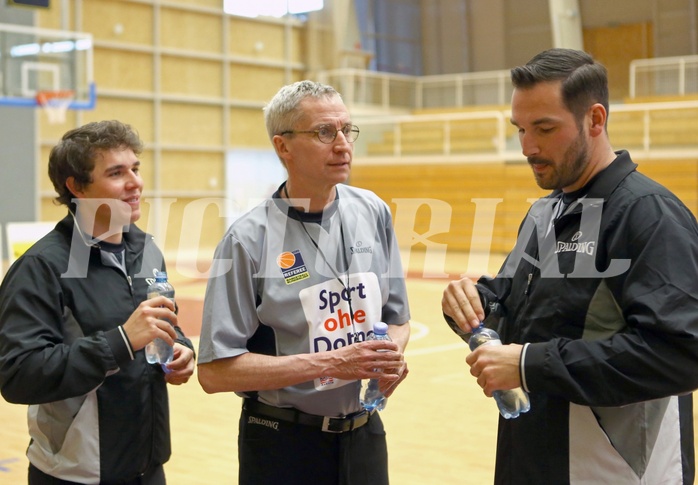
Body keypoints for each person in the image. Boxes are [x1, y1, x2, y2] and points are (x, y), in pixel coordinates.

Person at [442, 48, 698, 484]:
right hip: (534, 457)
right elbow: (519, 311)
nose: (527, 147)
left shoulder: (647, 214)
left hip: (614, 469)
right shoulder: (546, 213)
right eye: (520, 129)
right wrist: (473, 303)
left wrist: (528, 365)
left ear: (595, 120)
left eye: (544, 128)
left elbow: (681, 354)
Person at [197, 80, 411, 485]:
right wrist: (332, 363)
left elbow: (398, 319)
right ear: (283, 147)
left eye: (347, 130)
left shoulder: (373, 211)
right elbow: (215, 372)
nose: (343, 144)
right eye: (324, 133)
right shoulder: (246, 240)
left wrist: (390, 356)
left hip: (364, 436)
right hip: (283, 443)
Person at [0, 120, 196, 485]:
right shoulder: (41, 267)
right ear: (77, 186)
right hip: (76, 475)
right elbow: (18, 375)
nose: (135, 182)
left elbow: (160, 324)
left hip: (148, 466)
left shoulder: (147, 250)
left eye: (135, 168)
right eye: (116, 172)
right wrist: (121, 341)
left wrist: (180, 349)